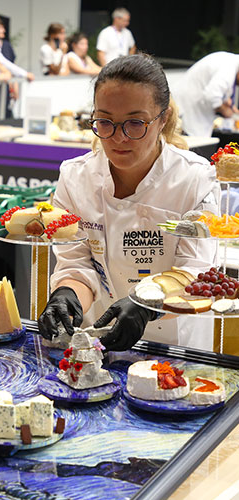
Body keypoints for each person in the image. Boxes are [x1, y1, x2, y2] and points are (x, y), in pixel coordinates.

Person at [38, 54, 220, 351]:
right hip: (101, 340)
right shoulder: (75, 178)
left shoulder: (195, 179)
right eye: (105, 122)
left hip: (175, 344)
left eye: (135, 123)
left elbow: (196, 268)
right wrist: (67, 296)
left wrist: (146, 305)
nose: (119, 138)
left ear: (162, 119)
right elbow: (77, 264)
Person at [172, 52, 239, 137]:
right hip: (188, 111)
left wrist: (226, 103)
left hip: (191, 110)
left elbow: (216, 90)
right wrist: (225, 110)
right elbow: (212, 95)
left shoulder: (229, 61)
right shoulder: (229, 68)